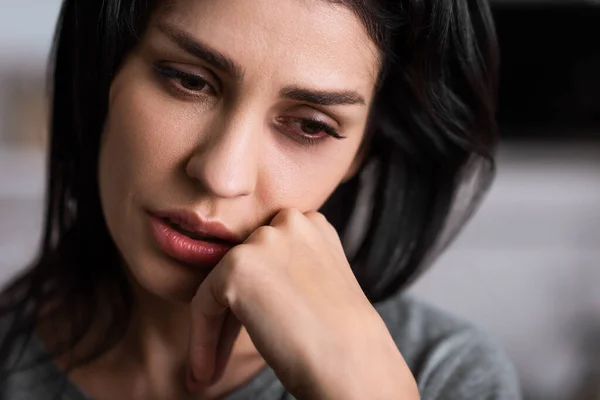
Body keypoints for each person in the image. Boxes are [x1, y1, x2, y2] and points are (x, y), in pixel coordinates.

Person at [0, 0, 521, 398]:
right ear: (106, 71)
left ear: (361, 152)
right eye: (188, 80)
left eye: (310, 126)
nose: (223, 176)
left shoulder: (446, 374)